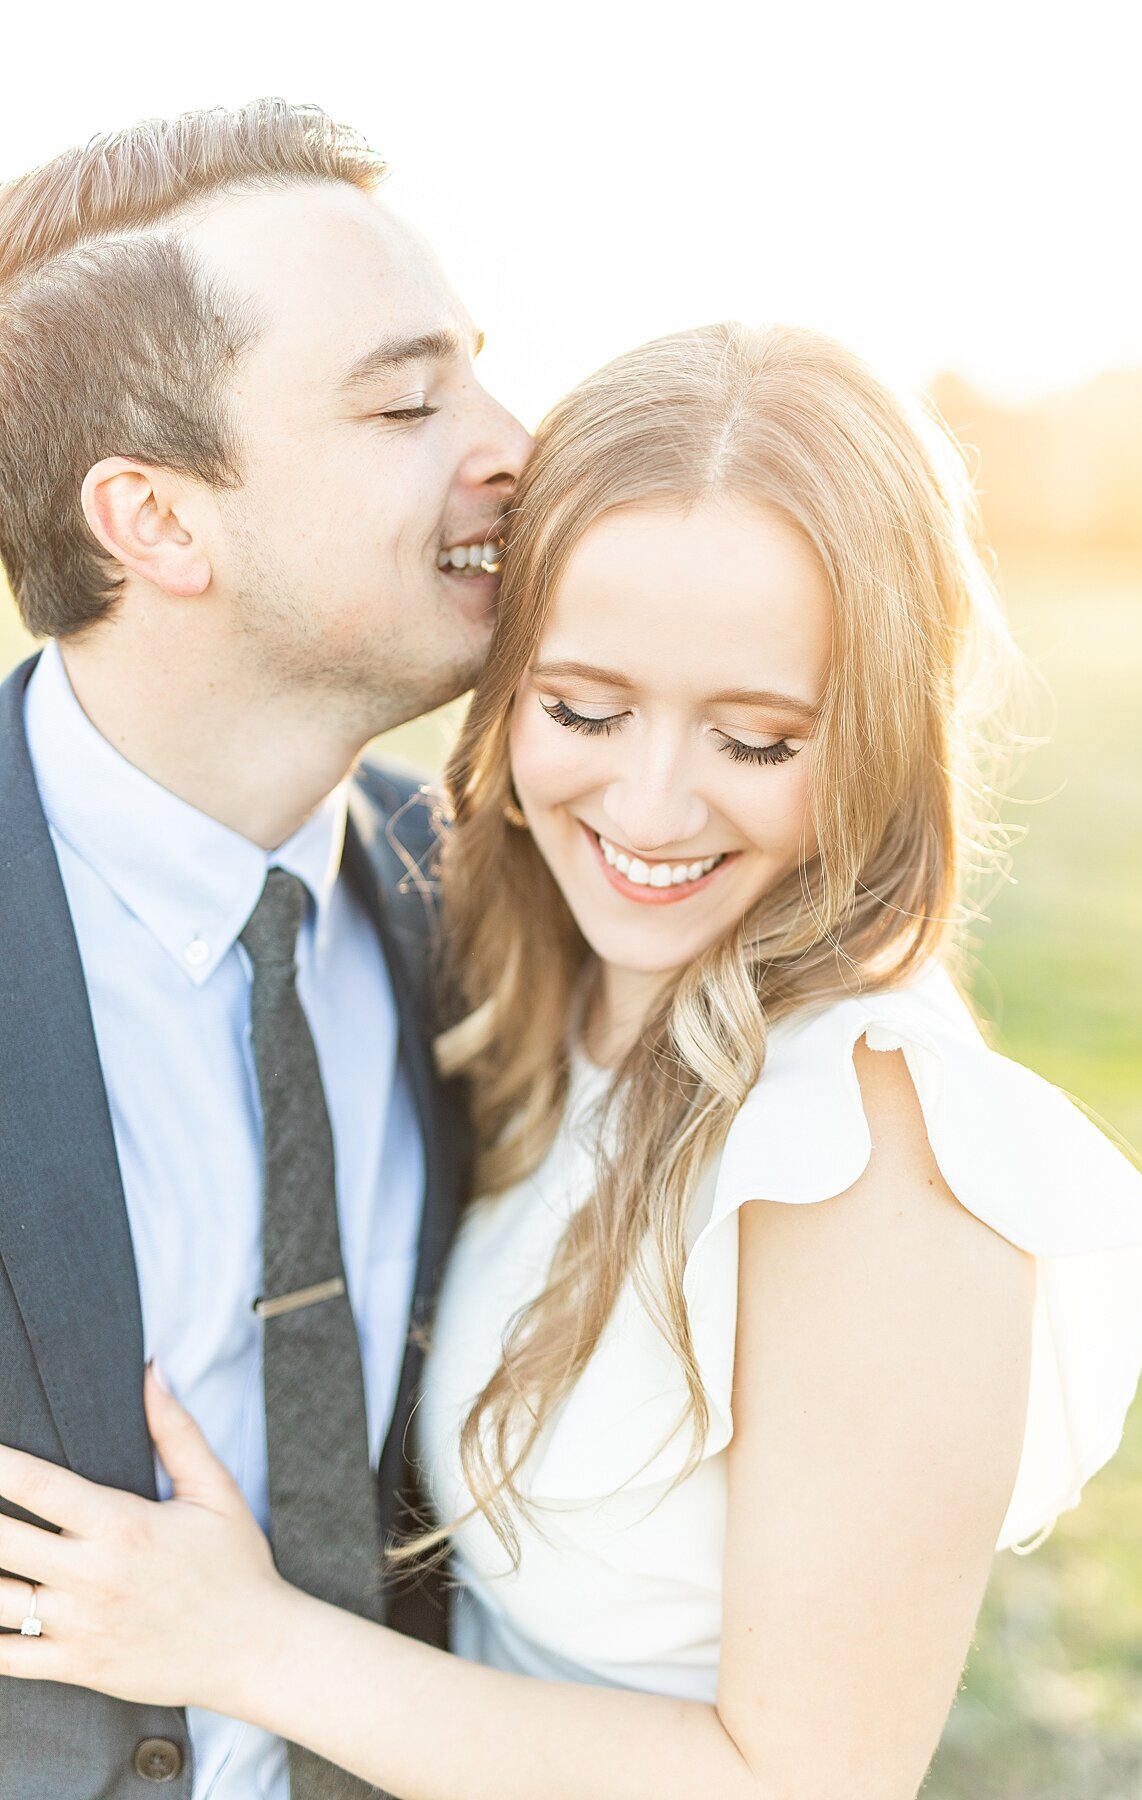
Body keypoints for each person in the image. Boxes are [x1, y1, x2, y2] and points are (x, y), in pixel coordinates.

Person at [1, 324, 1142, 1800]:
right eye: (583, 710)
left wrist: (246, 1646)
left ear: (884, 738)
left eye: (756, 741)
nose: (649, 806)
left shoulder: (873, 1152)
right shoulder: (546, 993)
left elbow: (806, 1782)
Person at [0, 100, 529, 1798]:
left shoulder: (504, 899)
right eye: (406, 401)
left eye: (481, 373)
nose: (511, 441)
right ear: (158, 523)